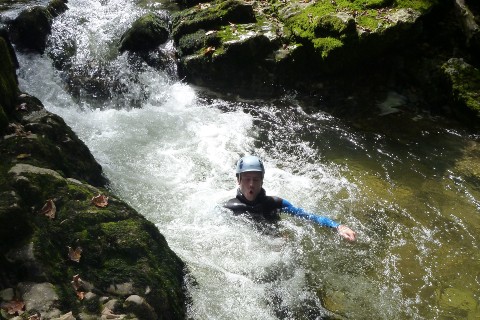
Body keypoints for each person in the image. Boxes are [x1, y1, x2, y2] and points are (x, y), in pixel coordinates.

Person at [224, 155, 357, 241]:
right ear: (238, 180)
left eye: (256, 179)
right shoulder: (229, 208)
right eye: (247, 179)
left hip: (277, 241)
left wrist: (338, 226)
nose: (251, 184)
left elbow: (307, 216)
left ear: (262, 181)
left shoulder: (275, 203)